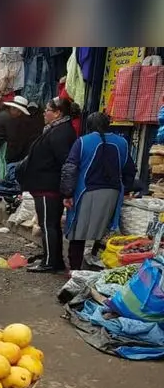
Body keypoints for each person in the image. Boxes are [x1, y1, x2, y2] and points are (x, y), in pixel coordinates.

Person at [61, 112, 136, 272]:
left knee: (78, 233)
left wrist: (67, 193)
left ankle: (75, 271)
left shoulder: (82, 142)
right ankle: (98, 264)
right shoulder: (122, 143)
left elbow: (70, 169)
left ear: (88, 126)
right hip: (112, 195)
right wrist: (127, 189)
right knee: (104, 231)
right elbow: (129, 169)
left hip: (85, 193)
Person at [16, 97, 80, 273]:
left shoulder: (61, 132)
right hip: (44, 185)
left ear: (58, 113)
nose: (44, 113)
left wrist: (66, 191)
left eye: (48, 110)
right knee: (49, 224)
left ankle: (51, 262)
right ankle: (52, 258)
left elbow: (64, 163)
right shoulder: (56, 129)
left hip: (49, 187)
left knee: (48, 224)